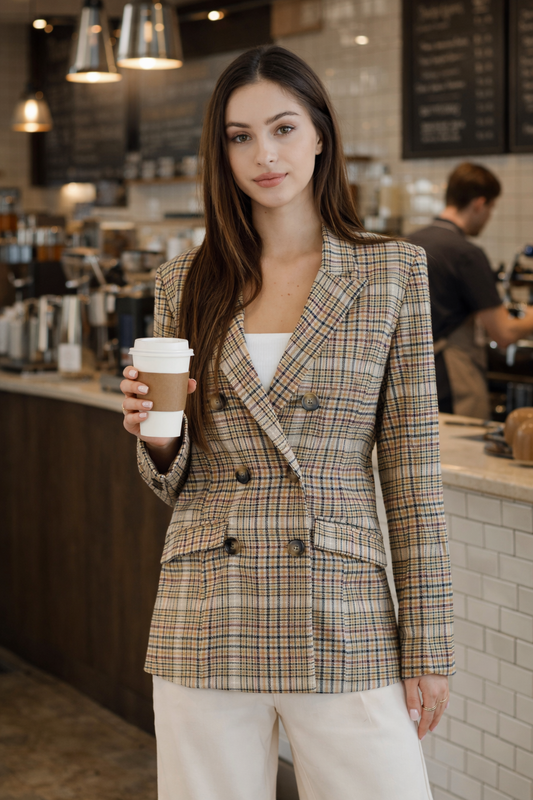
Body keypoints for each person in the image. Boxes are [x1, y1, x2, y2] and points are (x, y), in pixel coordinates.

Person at [120, 46, 454, 800]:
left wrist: (428, 644)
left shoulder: (389, 274)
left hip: (341, 606)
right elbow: (172, 480)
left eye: (281, 128)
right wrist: (156, 434)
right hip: (205, 605)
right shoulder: (185, 281)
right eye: (239, 136)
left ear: (319, 135)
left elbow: (411, 476)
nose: (262, 154)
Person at [410, 162, 533, 419]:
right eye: (491, 208)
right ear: (479, 203)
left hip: (409, 376)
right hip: (450, 380)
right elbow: (504, 333)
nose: (489, 216)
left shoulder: (408, 241)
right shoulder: (467, 254)